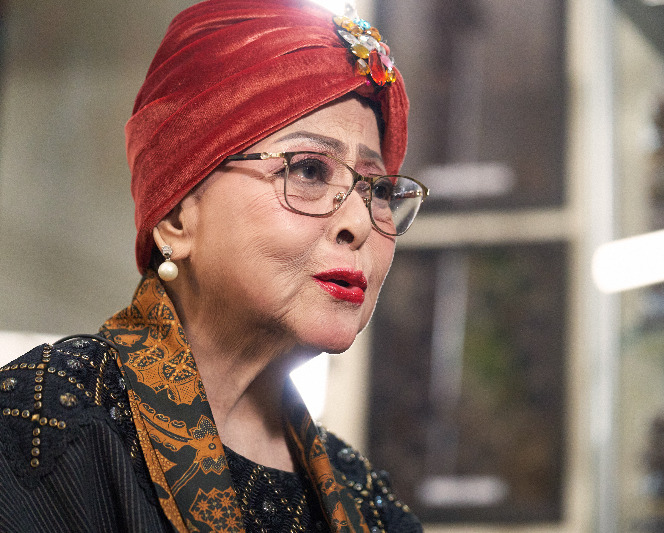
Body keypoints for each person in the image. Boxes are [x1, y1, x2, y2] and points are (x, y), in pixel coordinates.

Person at [0, 1, 428, 531]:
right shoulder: (44, 435)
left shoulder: (370, 507)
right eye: (309, 170)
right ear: (176, 216)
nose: (360, 224)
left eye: (379, 191)